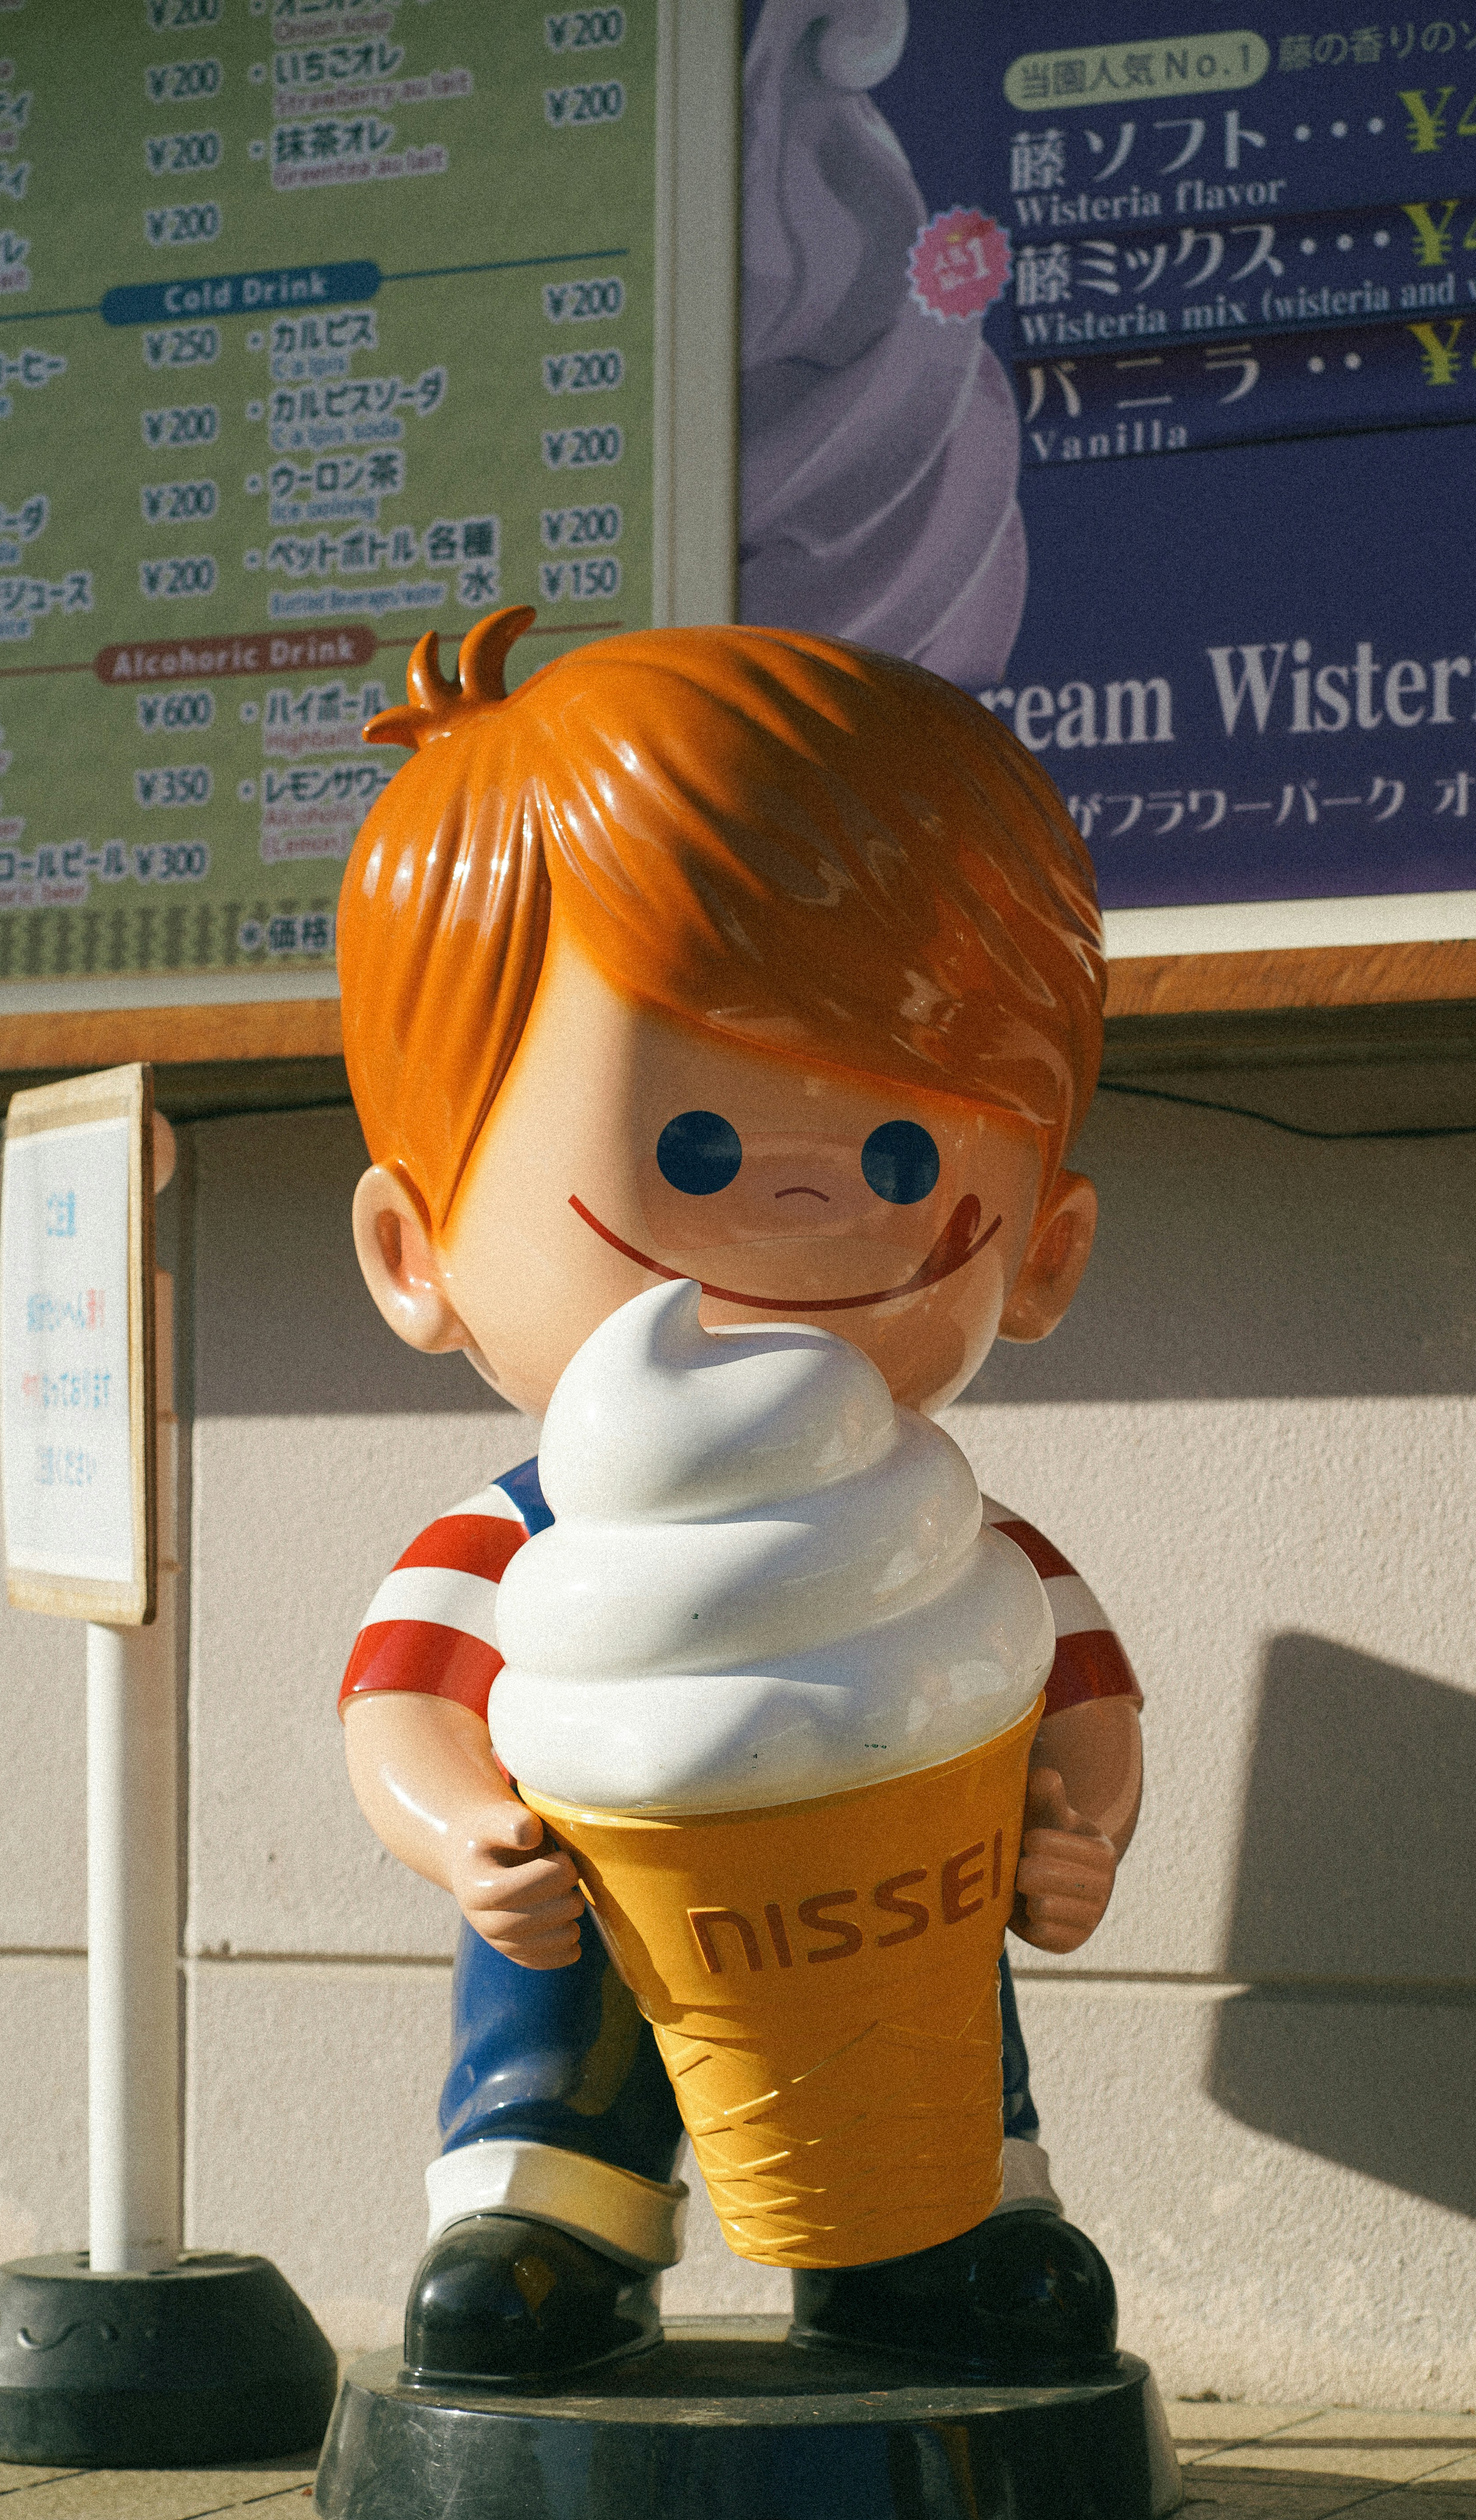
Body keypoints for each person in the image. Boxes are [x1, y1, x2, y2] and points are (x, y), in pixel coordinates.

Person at [337, 605, 1143, 2382]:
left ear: (1047, 1248)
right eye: (689, 1147)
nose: (797, 1208)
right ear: (418, 1249)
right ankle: (553, 2212)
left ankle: (938, 2232)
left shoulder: (956, 1543)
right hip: (584, 1903)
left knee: (933, 2021)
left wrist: (1073, 1830)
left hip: (909, 1884)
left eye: (899, 1153)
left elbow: (1074, 1685)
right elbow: (403, 1696)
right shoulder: (523, 1532)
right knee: (563, 2035)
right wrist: (466, 1833)